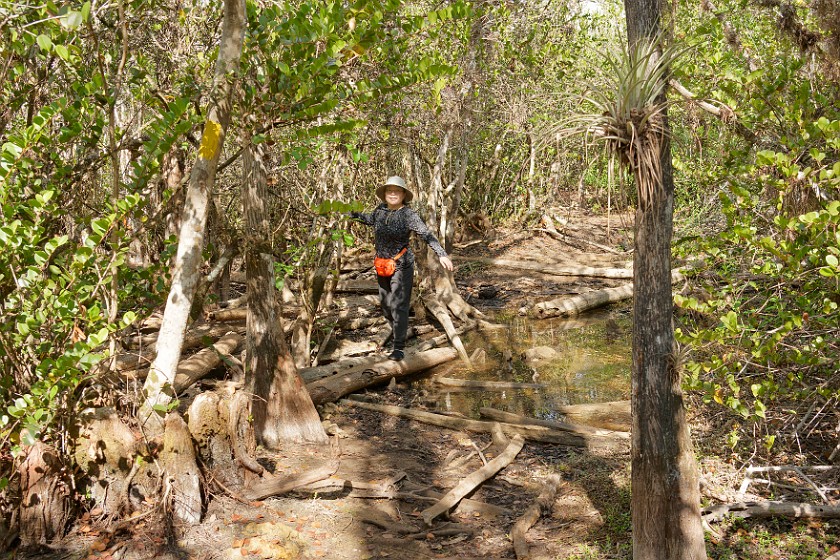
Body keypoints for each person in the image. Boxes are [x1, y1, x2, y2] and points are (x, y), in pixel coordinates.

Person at [350, 176, 454, 361]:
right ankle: (398, 330)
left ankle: (398, 347)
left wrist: (441, 254)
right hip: (382, 265)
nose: (392, 194)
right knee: (386, 305)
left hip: (401, 265)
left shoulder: (408, 215)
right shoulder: (380, 211)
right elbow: (369, 219)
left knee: (399, 305)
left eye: (396, 191)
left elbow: (426, 234)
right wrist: (351, 213)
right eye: (389, 190)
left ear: (403, 194)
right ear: (384, 194)